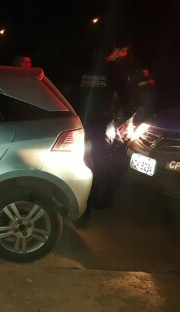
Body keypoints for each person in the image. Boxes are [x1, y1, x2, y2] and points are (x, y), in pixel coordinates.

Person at [74, 41, 156, 226]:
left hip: (107, 125)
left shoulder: (132, 69)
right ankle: (93, 202)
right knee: (97, 163)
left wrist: (131, 122)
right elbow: (125, 100)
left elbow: (144, 100)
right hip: (104, 124)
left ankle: (100, 200)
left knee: (103, 163)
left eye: (116, 51)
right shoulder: (112, 70)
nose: (113, 55)